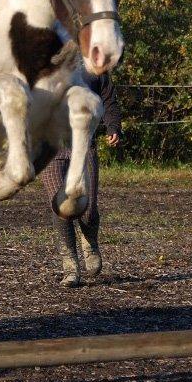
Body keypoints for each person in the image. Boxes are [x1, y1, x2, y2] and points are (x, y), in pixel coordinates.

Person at [40, 71, 122, 287]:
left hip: (85, 146)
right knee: (61, 206)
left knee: (89, 207)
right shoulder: (43, 63)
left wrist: (113, 126)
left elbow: (108, 97)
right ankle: (70, 268)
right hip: (50, 149)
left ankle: (90, 241)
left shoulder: (93, 67)